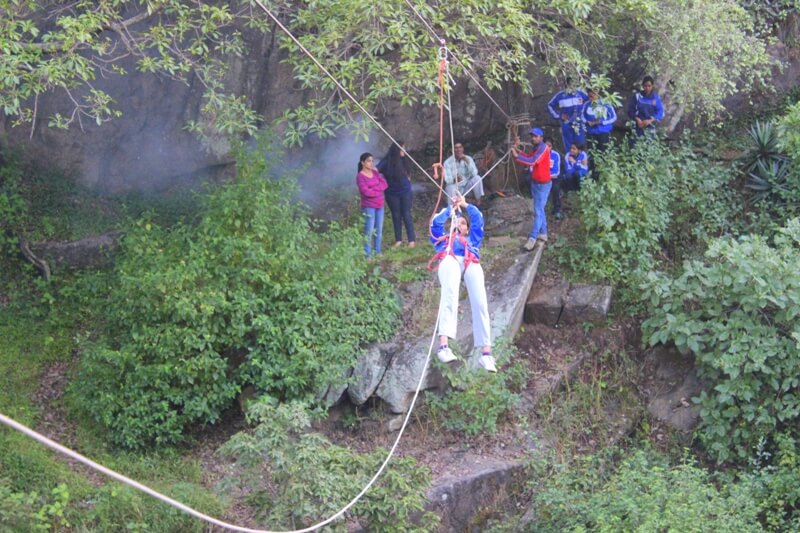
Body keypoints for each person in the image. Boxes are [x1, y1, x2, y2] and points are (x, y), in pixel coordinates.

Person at [429, 194, 496, 372]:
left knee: (481, 302)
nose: (459, 225)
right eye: (456, 223)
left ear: (467, 229)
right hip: (450, 259)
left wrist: (465, 204)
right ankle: (444, 346)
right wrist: (449, 212)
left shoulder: (473, 239)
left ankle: (486, 353)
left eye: (463, 223)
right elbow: (435, 224)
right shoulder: (444, 241)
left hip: (470, 261)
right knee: (450, 294)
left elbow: (478, 219)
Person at [511, 127, 552, 251]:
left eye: (535, 136)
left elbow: (533, 161)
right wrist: (517, 151)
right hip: (536, 182)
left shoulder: (544, 148)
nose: (533, 138)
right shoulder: (537, 148)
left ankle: (532, 238)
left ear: (541, 137)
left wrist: (517, 156)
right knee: (539, 209)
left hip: (543, 185)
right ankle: (544, 234)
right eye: (532, 136)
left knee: (538, 211)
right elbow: (529, 156)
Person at [377, 142, 417, 248]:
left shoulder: (404, 160)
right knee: (396, 215)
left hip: (405, 191)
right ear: (397, 150)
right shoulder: (386, 161)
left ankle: (411, 240)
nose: (404, 151)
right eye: (402, 149)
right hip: (391, 193)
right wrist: (381, 183)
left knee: (406, 214)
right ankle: (398, 240)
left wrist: (408, 180)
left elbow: (408, 173)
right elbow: (375, 171)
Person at [356, 152, 388, 258]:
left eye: (372, 161)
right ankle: (368, 255)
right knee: (369, 231)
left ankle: (378, 252)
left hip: (380, 204)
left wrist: (374, 189)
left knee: (379, 230)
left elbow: (384, 184)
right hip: (369, 206)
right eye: (368, 161)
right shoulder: (360, 176)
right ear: (363, 163)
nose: (371, 163)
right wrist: (377, 190)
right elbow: (365, 192)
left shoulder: (375, 173)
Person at [547, 79, 588, 153]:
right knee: (568, 145)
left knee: (580, 144)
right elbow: (550, 105)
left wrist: (584, 116)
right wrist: (559, 115)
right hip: (566, 123)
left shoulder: (581, 93)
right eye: (570, 85)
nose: (572, 87)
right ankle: (569, 162)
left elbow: (589, 102)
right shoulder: (560, 95)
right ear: (566, 85)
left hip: (579, 123)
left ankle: (581, 162)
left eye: (574, 85)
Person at [627, 75, 664, 140]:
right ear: (642, 86)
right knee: (634, 145)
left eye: (649, 86)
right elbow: (630, 110)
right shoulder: (637, 96)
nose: (647, 88)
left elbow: (660, 112)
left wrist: (650, 120)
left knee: (648, 146)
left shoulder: (656, 98)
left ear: (652, 86)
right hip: (638, 124)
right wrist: (637, 120)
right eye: (645, 86)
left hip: (650, 126)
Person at [582, 88, 617, 154]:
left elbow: (614, 117)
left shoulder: (606, 104)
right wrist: (587, 122)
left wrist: (602, 122)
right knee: (591, 153)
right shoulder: (586, 104)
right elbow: (582, 116)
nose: (590, 98)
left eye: (591, 96)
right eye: (588, 96)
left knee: (603, 152)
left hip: (603, 131)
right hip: (590, 132)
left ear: (597, 94)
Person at [545, 138, 564, 220]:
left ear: (552, 147)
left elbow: (556, 172)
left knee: (555, 188)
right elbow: (532, 169)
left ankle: (557, 210)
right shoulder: (537, 153)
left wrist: (545, 176)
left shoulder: (555, 155)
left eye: (549, 146)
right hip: (539, 178)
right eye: (545, 145)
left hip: (551, 178)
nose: (547, 147)